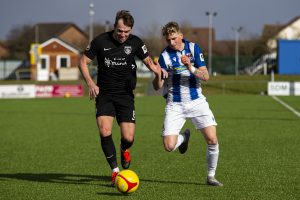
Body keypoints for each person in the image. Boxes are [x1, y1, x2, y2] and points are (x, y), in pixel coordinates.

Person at [78, 10, 161, 185]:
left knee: (128, 137)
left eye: (127, 32)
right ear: (114, 26)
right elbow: (82, 62)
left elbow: (149, 62)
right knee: (104, 131)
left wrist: (156, 70)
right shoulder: (100, 41)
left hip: (125, 96)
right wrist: (91, 84)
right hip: (105, 95)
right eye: (120, 30)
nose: (123, 35)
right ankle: (115, 171)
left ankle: (124, 149)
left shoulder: (136, 42)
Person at [152, 21, 223, 186]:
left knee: (212, 139)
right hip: (175, 104)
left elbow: (205, 76)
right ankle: (184, 138)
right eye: (168, 40)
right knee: (169, 146)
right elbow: (158, 86)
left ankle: (211, 176)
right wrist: (157, 75)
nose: (172, 43)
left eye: (174, 38)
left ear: (181, 36)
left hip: (196, 101)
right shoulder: (164, 56)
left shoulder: (193, 49)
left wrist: (189, 66)